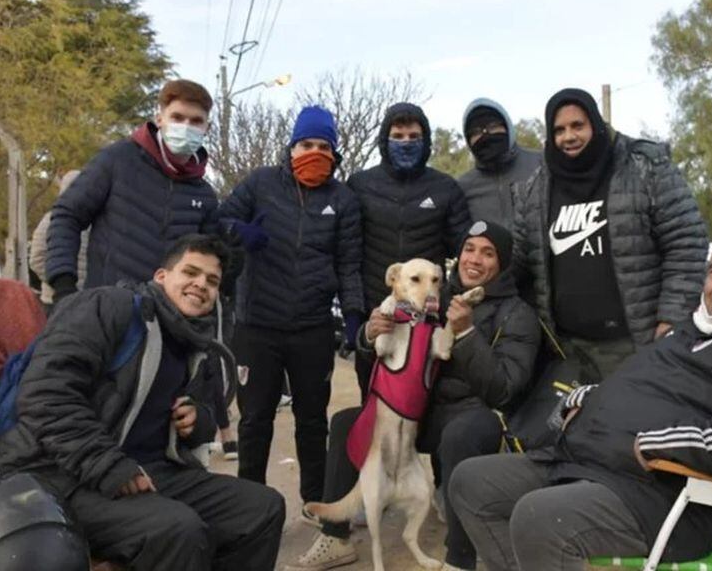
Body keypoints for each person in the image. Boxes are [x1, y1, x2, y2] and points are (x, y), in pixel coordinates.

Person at [448, 240, 712, 571]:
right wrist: (583, 399)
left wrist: (660, 442)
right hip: (589, 463)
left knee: (540, 516)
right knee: (471, 482)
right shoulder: (688, 332)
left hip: (665, 494)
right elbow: (634, 388)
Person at [0, 234, 285, 571]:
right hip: (58, 474)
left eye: (212, 281)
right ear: (161, 276)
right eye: (190, 272)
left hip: (150, 472)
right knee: (178, 530)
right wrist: (109, 465)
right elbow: (44, 392)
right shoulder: (109, 306)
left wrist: (196, 420)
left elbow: (206, 418)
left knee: (262, 508)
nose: (201, 284)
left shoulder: (196, 342)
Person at [286, 220, 540, 571]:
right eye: (469, 249)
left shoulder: (517, 315)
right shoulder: (431, 292)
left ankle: (459, 557)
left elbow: (504, 389)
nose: (474, 260)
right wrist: (368, 335)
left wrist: (465, 333)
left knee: (460, 436)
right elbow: (389, 353)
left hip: (476, 413)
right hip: (420, 410)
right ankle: (335, 536)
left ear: (502, 263)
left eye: (488, 253)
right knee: (348, 422)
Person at [217, 105, 365, 509]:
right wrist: (239, 233)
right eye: (306, 144)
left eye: (323, 146)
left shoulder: (344, 199)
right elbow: (219, 220)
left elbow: (349, 264)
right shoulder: (262, 183)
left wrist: (353, 317)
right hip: (257, 325)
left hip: (312, 328)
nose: (313, 152)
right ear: (292, 146)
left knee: (313, 421)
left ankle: (314, 502)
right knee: (254, 421)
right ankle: (251, 505)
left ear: (334, 153)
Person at [512, 87, 708, 383]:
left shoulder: (644, 166)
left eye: (578, 125)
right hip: (567, 350)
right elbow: (519, 256)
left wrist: (671, 318)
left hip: (636, 345)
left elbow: (687, 243)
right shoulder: (536, 186)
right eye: (559, 130)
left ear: (596, 124)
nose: (569, 136)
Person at [45, 79, 221, 302]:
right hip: (108, 308)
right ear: (160, 120)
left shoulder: (204, 195)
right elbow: (67, 216)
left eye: (196, 121)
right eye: (177, 118)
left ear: (207, 128)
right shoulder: (117, 159)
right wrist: (63, 287)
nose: (185, 126)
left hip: (169, 319)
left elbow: (207, 262)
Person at [348, 102, 472, 400]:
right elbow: (347, 253)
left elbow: (466, 250)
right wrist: (354, 314)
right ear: (384, 139)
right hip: (378, 314)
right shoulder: (360, 185)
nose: (406, 142)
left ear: (425, 140)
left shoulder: (445, 188)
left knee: (428, 401)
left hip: (428, 317)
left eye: (413, 136)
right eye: (398, 136)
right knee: (374, 401)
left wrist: (452, 297)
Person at [457, 98, 541, 232]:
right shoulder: (463, 186)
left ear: (507, 127)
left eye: (493, 127)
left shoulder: (542, 164)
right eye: (476, 132)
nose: (485, 135)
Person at [29, 170, 86, 309]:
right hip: (56, 300)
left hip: (87, 300)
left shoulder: (95, 221)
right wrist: (60, 281)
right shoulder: (51, 220)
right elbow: (36, 258)